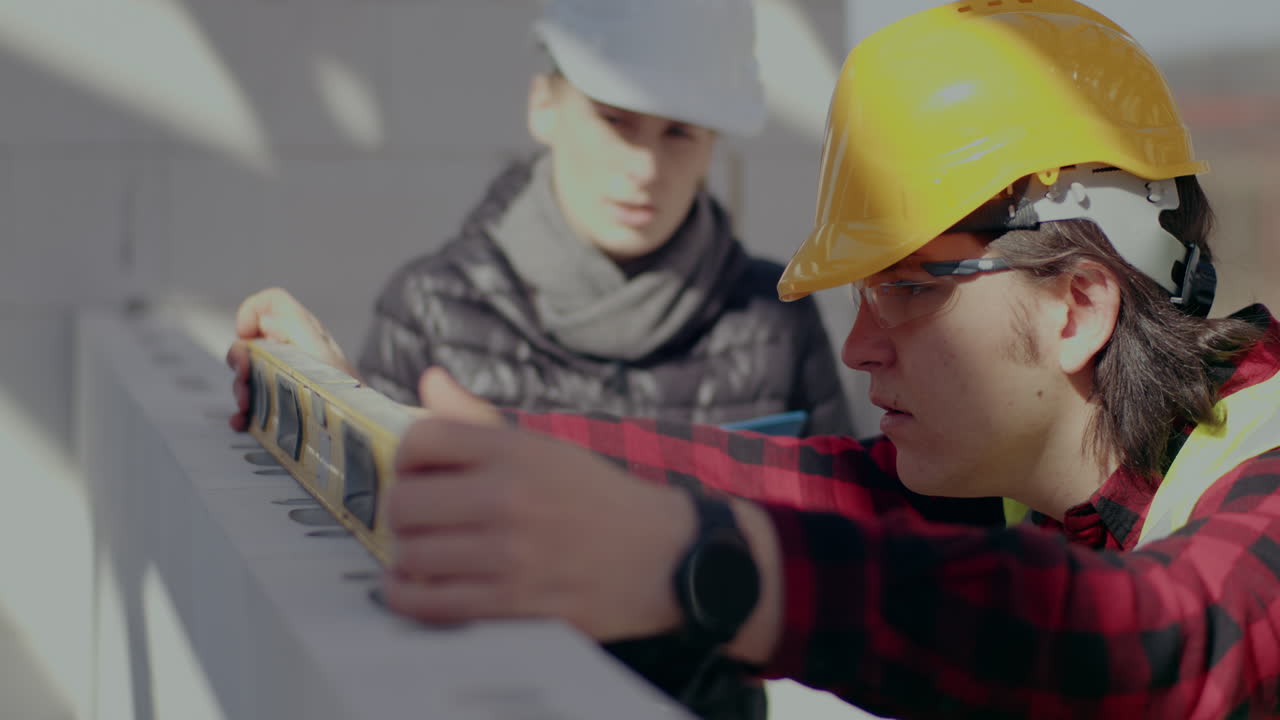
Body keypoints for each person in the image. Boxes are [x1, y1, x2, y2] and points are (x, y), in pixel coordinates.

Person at [357, 1, 1280, 717]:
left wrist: (712, 568)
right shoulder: (1035, 480)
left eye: (910, 289)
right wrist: (410, 425)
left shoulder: (1265, 465)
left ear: (1077, 308)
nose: (856, 348)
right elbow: (784, 482)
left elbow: (1170, 644)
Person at [230, 0, 851, 439]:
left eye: (679, 133)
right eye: (615, 120)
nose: (644, 167)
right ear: (544, 107)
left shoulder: (775, 318)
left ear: (714, 143)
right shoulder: (428, 311)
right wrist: (343, 408)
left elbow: (838, 542)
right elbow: (378, 532)